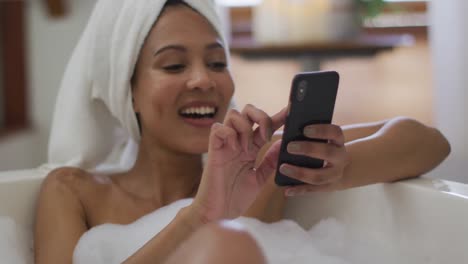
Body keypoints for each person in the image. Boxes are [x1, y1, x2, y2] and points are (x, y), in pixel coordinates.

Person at [34, 0, 451, 263]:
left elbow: (428, 142)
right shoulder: (73, 191)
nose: (204, 80)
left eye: (217, 63)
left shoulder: (258, 168)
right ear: (127, 91)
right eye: (174, 65)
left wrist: (338, 168)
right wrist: (198, 218)